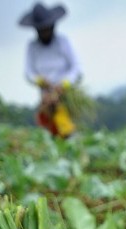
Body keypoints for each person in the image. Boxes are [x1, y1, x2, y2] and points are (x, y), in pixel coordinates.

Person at [19, 3, 82, 138]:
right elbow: (28, 72)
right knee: (48, 130)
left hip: (65, 94)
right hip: (46, 96)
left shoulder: (62, 42)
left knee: (68, 130)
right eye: (42, 30)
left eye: (47, 29)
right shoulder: (32, 47)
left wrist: (64, 83)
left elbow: (76, 67)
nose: (45, 32)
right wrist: (40, 81)